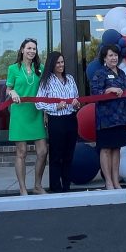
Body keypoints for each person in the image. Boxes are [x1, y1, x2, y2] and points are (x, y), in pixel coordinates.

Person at [35, 52, 80, 193]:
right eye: (57, 63)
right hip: (56, 121)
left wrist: (76, 103)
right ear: (52, 64)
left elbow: (77, 99)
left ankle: (66, 185)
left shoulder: (70, 79)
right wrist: (54, 106)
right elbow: (38, 103)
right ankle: (56, 186)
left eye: (62, 62)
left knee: (69, 154)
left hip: (71, 119)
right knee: (56, 155)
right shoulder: (46, 81)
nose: (61, 65)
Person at [6, 38, 46, 196]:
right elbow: (8, 89)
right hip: (19, 114)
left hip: (36, 113)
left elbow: (45, 91)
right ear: (22, 50)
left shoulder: (40, 68)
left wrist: (46, 113)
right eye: (29, 48)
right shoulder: (13, 68)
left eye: (34, 49)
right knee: (21, 152)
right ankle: (22, 188)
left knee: (42, 151)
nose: (31, 51)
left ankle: (37, 185)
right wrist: (12, 92)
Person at [89, 45, 126, 191]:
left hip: (120, 117)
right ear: (104, 58)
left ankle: (115, 180)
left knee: (116, 149)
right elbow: (95, 93)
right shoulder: (100, 73)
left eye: (115, 55)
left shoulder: (122, 73)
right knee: (106, 149)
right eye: (110, 55)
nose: (114, 58)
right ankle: (108, 182)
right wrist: (108, 90)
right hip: (106, 118)